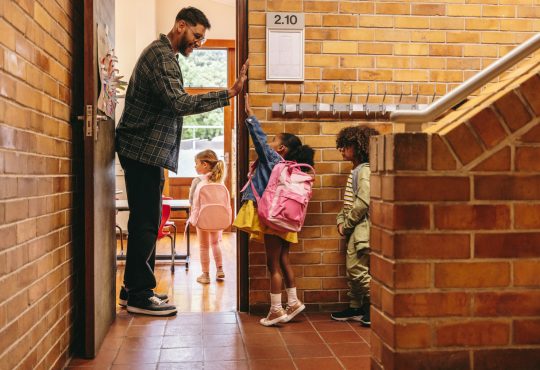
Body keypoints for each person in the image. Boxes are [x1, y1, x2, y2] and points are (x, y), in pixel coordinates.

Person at [115, 6, 248, 316]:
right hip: (142, 150)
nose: (197, 43)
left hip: (147, 151)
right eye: (196, 36)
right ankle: (138, 294)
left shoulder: (166, 56)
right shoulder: (161, 57)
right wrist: (229, 93)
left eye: (201, 40)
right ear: (181, 25)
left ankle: (133, 287)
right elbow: (179, 102)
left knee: (147, 220)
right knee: (147, 222)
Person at [233, 94, 315, 326]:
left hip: (274, 217)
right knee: (284, 259)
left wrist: (250, 116)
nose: (268, 143)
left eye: (273, 141)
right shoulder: (293, 169)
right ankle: (293, 301)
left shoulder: (274, 160)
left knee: (273, 265)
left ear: (281, 148)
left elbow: (258, 139)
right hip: (288, 219)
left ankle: (276, 310)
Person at [330, 125, 379, 327]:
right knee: (353, 270)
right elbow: (348, 203)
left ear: (359, 146)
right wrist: (341, 221)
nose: (341, 150)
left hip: (361, 228)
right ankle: (356, 306)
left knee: (356, 269)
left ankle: (380, 307)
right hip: (353, 227)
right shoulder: (357, 170)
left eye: (345, 146)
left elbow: (363, 201)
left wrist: (347, 224)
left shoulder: (365, 170)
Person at [188, 150, 227, 284]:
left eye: (196, 163)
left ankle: (205, 275)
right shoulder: (219, 180)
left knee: (204, 246)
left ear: (204, 164)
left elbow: (191, 200)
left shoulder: (198, 181)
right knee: (215, 243)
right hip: (217, 218)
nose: (195, 166)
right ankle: (220, 269)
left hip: (202, 218)